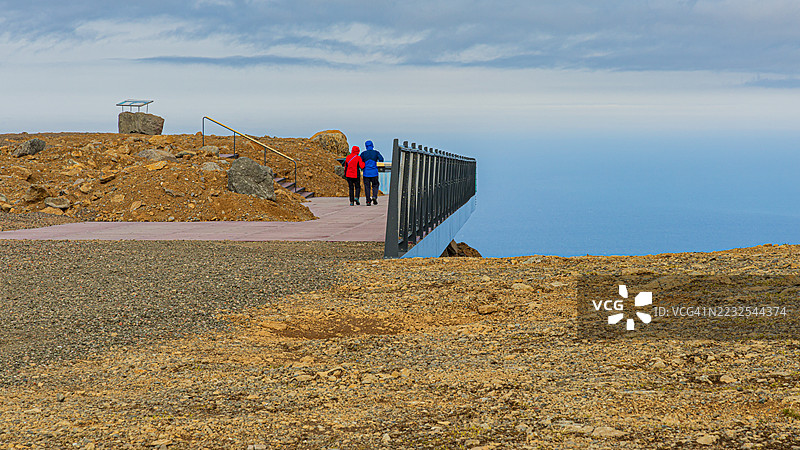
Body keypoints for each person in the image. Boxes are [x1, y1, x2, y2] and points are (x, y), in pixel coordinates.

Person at [360, 140, 384, 206]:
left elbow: (360, 161)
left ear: (366, 146)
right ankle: (374, 196)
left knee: (367, 187)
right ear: (372, 145)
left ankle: (368, 201)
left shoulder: (363, 153)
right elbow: (381, 159)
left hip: (366, 173)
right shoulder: (376, 153)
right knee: (375, 185)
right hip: (374, 172)